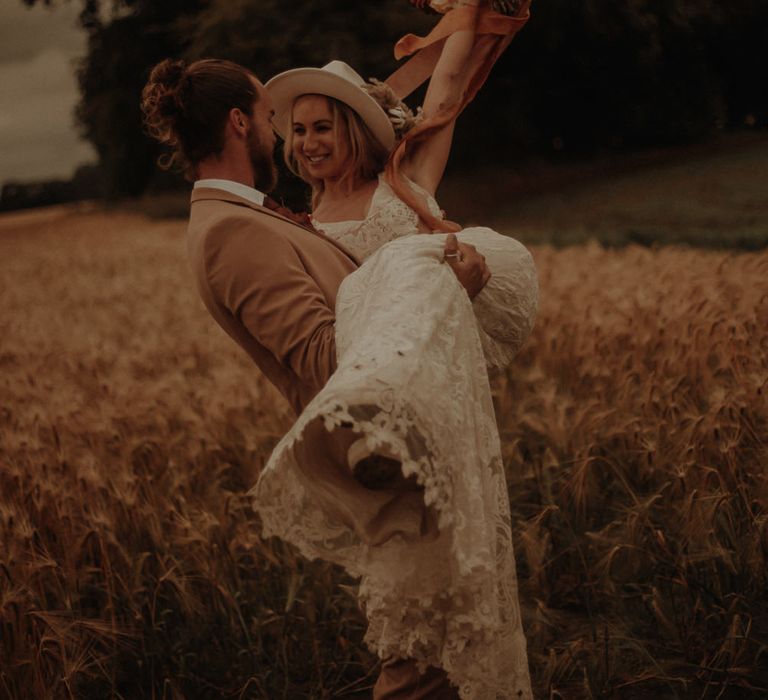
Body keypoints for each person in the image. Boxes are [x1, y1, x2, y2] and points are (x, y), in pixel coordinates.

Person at [140, 56, 493, 698]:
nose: (284, 138)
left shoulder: (251, 215)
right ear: (241, 123)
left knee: (438, 646)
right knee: (414, 662)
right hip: (375, 448)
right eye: (274, 120)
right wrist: (442, 282)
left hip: (402, 426)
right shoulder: (230, 233)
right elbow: (330, 363)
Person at [252, 1, 538, 698]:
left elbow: (445, 92)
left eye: (323, 126)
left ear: (352, 130)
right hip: (370, 417)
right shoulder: (298, 228)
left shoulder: (400, 187)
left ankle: (436, 676)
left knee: (444, 551)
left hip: (429, 394)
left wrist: (470, 11)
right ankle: (413, 674)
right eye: (299, 131)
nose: (309, 141)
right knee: (404, 566)